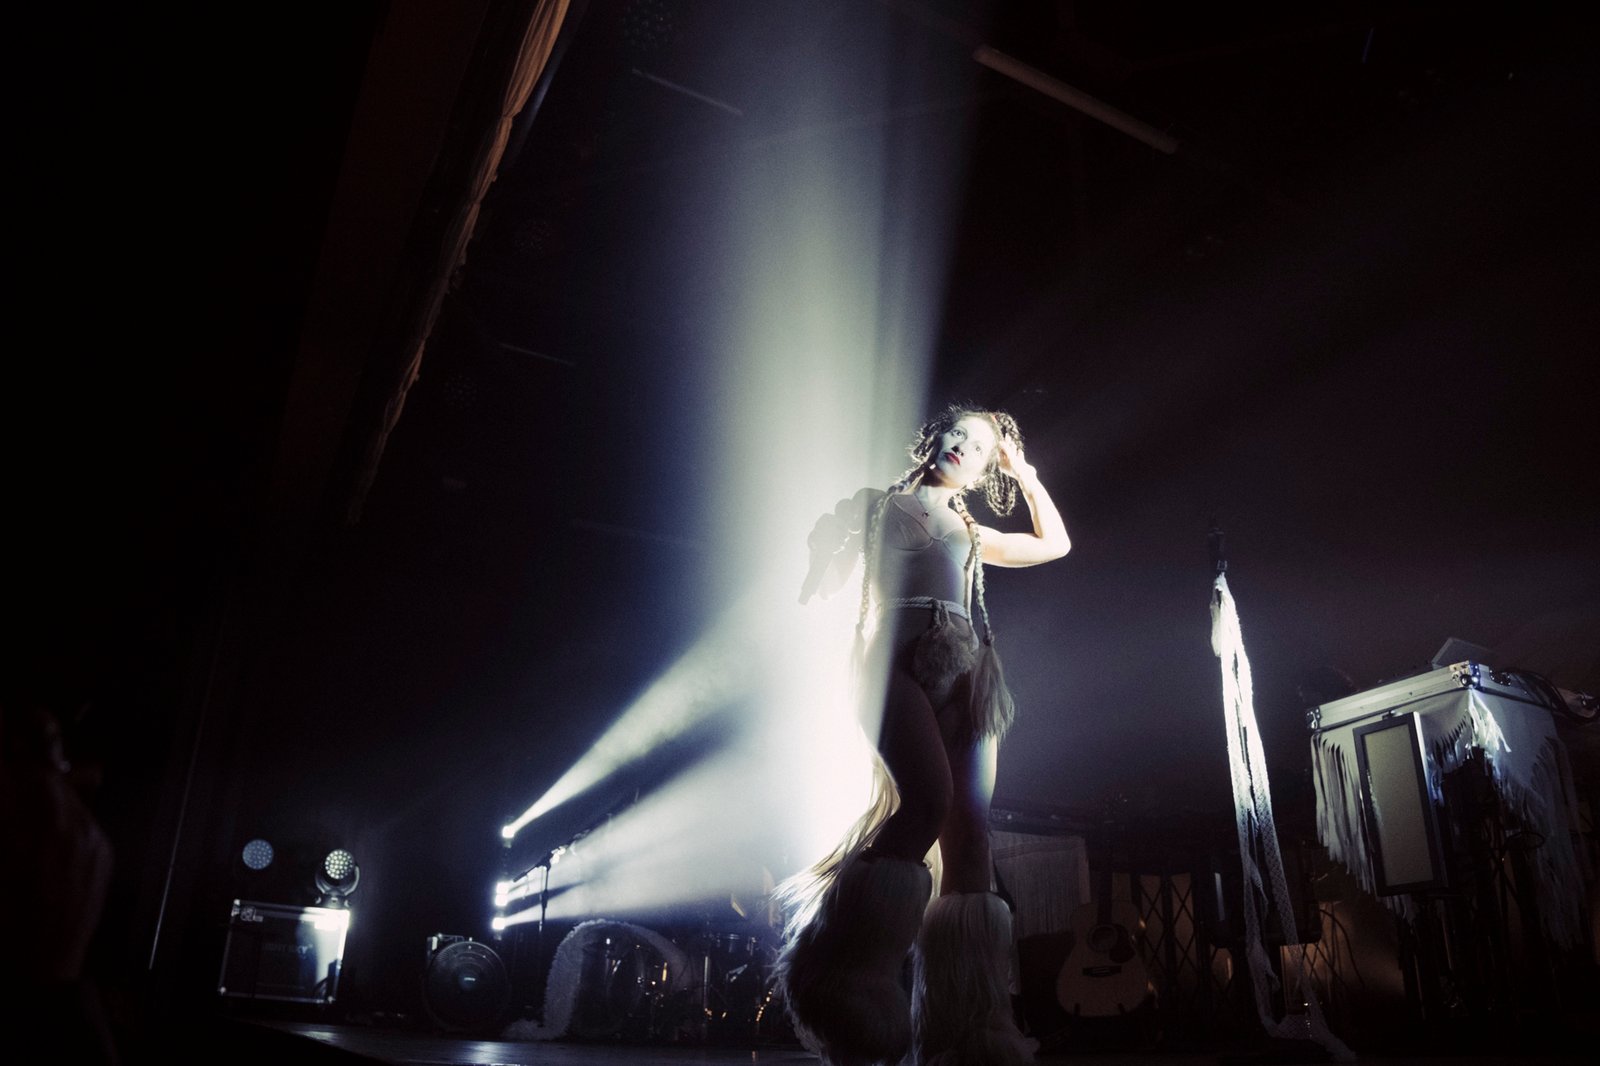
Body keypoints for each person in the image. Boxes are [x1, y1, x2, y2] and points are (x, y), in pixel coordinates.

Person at [775, 403, 1071, 1066]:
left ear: (986, 470)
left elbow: (1054, 544)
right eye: (958, 434)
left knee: (972, 841)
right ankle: (842, 984)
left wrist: (1024, 473)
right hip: (892, 661)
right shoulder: (876, 505)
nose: (964, 446)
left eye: (981, 448)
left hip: (966, 673)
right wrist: (823, 556)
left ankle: (970, 1028)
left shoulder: (972, 528)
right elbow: (823, 576)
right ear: (933, 438)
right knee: (927, 802)